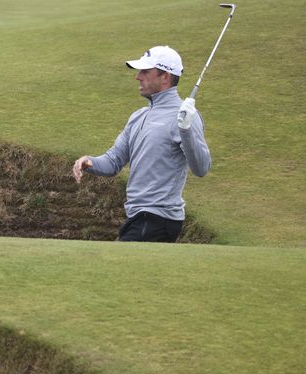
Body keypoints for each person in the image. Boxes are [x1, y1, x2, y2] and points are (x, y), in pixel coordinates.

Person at [72, 45, 212, 242]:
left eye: (145, 71)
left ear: (165, 77)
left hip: (159, 218)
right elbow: (113, 161)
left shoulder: (184, 116)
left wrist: (187, 130)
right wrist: (89, 162)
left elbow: (201, 168)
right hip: (139, 217)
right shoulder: (139, 116)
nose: (138, 76)